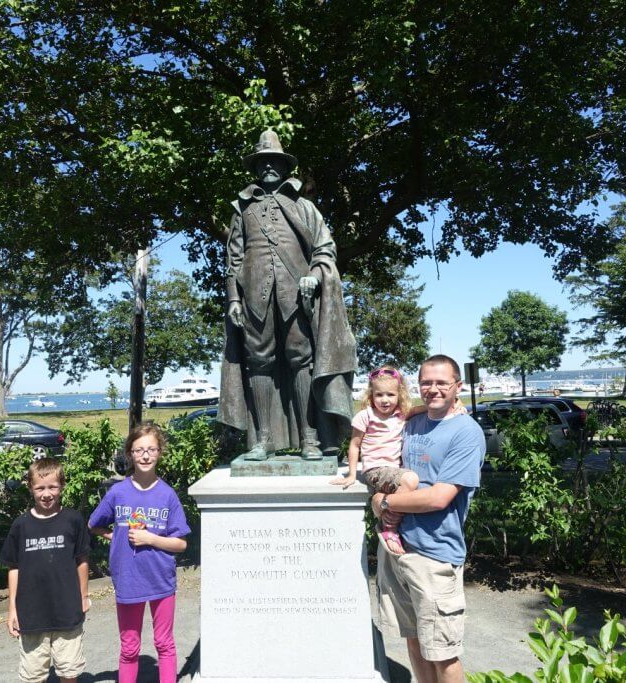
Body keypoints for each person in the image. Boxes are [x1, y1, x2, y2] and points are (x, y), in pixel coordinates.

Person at [219, 129, 357, 461]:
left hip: (296, 299)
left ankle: (311, 437)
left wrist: (314, 274)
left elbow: (325, 248)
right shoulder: (242, 211)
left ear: (284, 166)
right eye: (262, 162)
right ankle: (262, 440)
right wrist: (234, 300)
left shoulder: (305, 207)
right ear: (255, 167)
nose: (268, 167)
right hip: (254, 300)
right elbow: (233, 259)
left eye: (274, 162)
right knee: (259, 363)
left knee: (302, 360)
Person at [372, 355, 486, 683]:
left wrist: (385, 501)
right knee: (414, 641)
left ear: (457, 387)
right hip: (399, 549)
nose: (433, 389)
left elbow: (439, 498)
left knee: (442, 654)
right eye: (426, 383)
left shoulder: (466, 432)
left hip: (435, 556)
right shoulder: (414, 422)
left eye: (441, 383)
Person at [88, 423, 190, 683]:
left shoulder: (167, 495)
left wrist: (150, 538)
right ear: (130, 454)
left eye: (151, 449)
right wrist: (115, 536)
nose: (145, 455)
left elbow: (180, 544)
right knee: (129, 647)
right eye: (139, 450)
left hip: (160, 580)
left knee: (164, 643)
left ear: (159, 452)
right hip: (128, 580)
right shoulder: (118, 492)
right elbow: (93, 524)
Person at [331, 365, 467, 554]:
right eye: (379, 395)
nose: (385, 400)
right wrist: (352, 475)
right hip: (376, 469)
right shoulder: (366, 416)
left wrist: (454, 405)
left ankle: (384, 505)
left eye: (390, 395)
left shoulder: (400, 415)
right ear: (371, 396)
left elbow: (422, 408)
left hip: (393, 470)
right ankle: (390, 527)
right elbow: (354, 445)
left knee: (410, 483)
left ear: (399, 396)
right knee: (411, 479)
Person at [0, 458, 90, 683]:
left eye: (53, 487)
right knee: (33, 675)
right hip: (31, 614)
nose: (47, 493)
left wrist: (84, 596)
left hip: (67, 611)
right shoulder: (21, 525)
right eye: (40, 488)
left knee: (69, 672)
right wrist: (12, 609)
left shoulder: (73, 520)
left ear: (62, 486)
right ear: (30, 487)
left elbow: (82, 561)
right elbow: (14, 567)